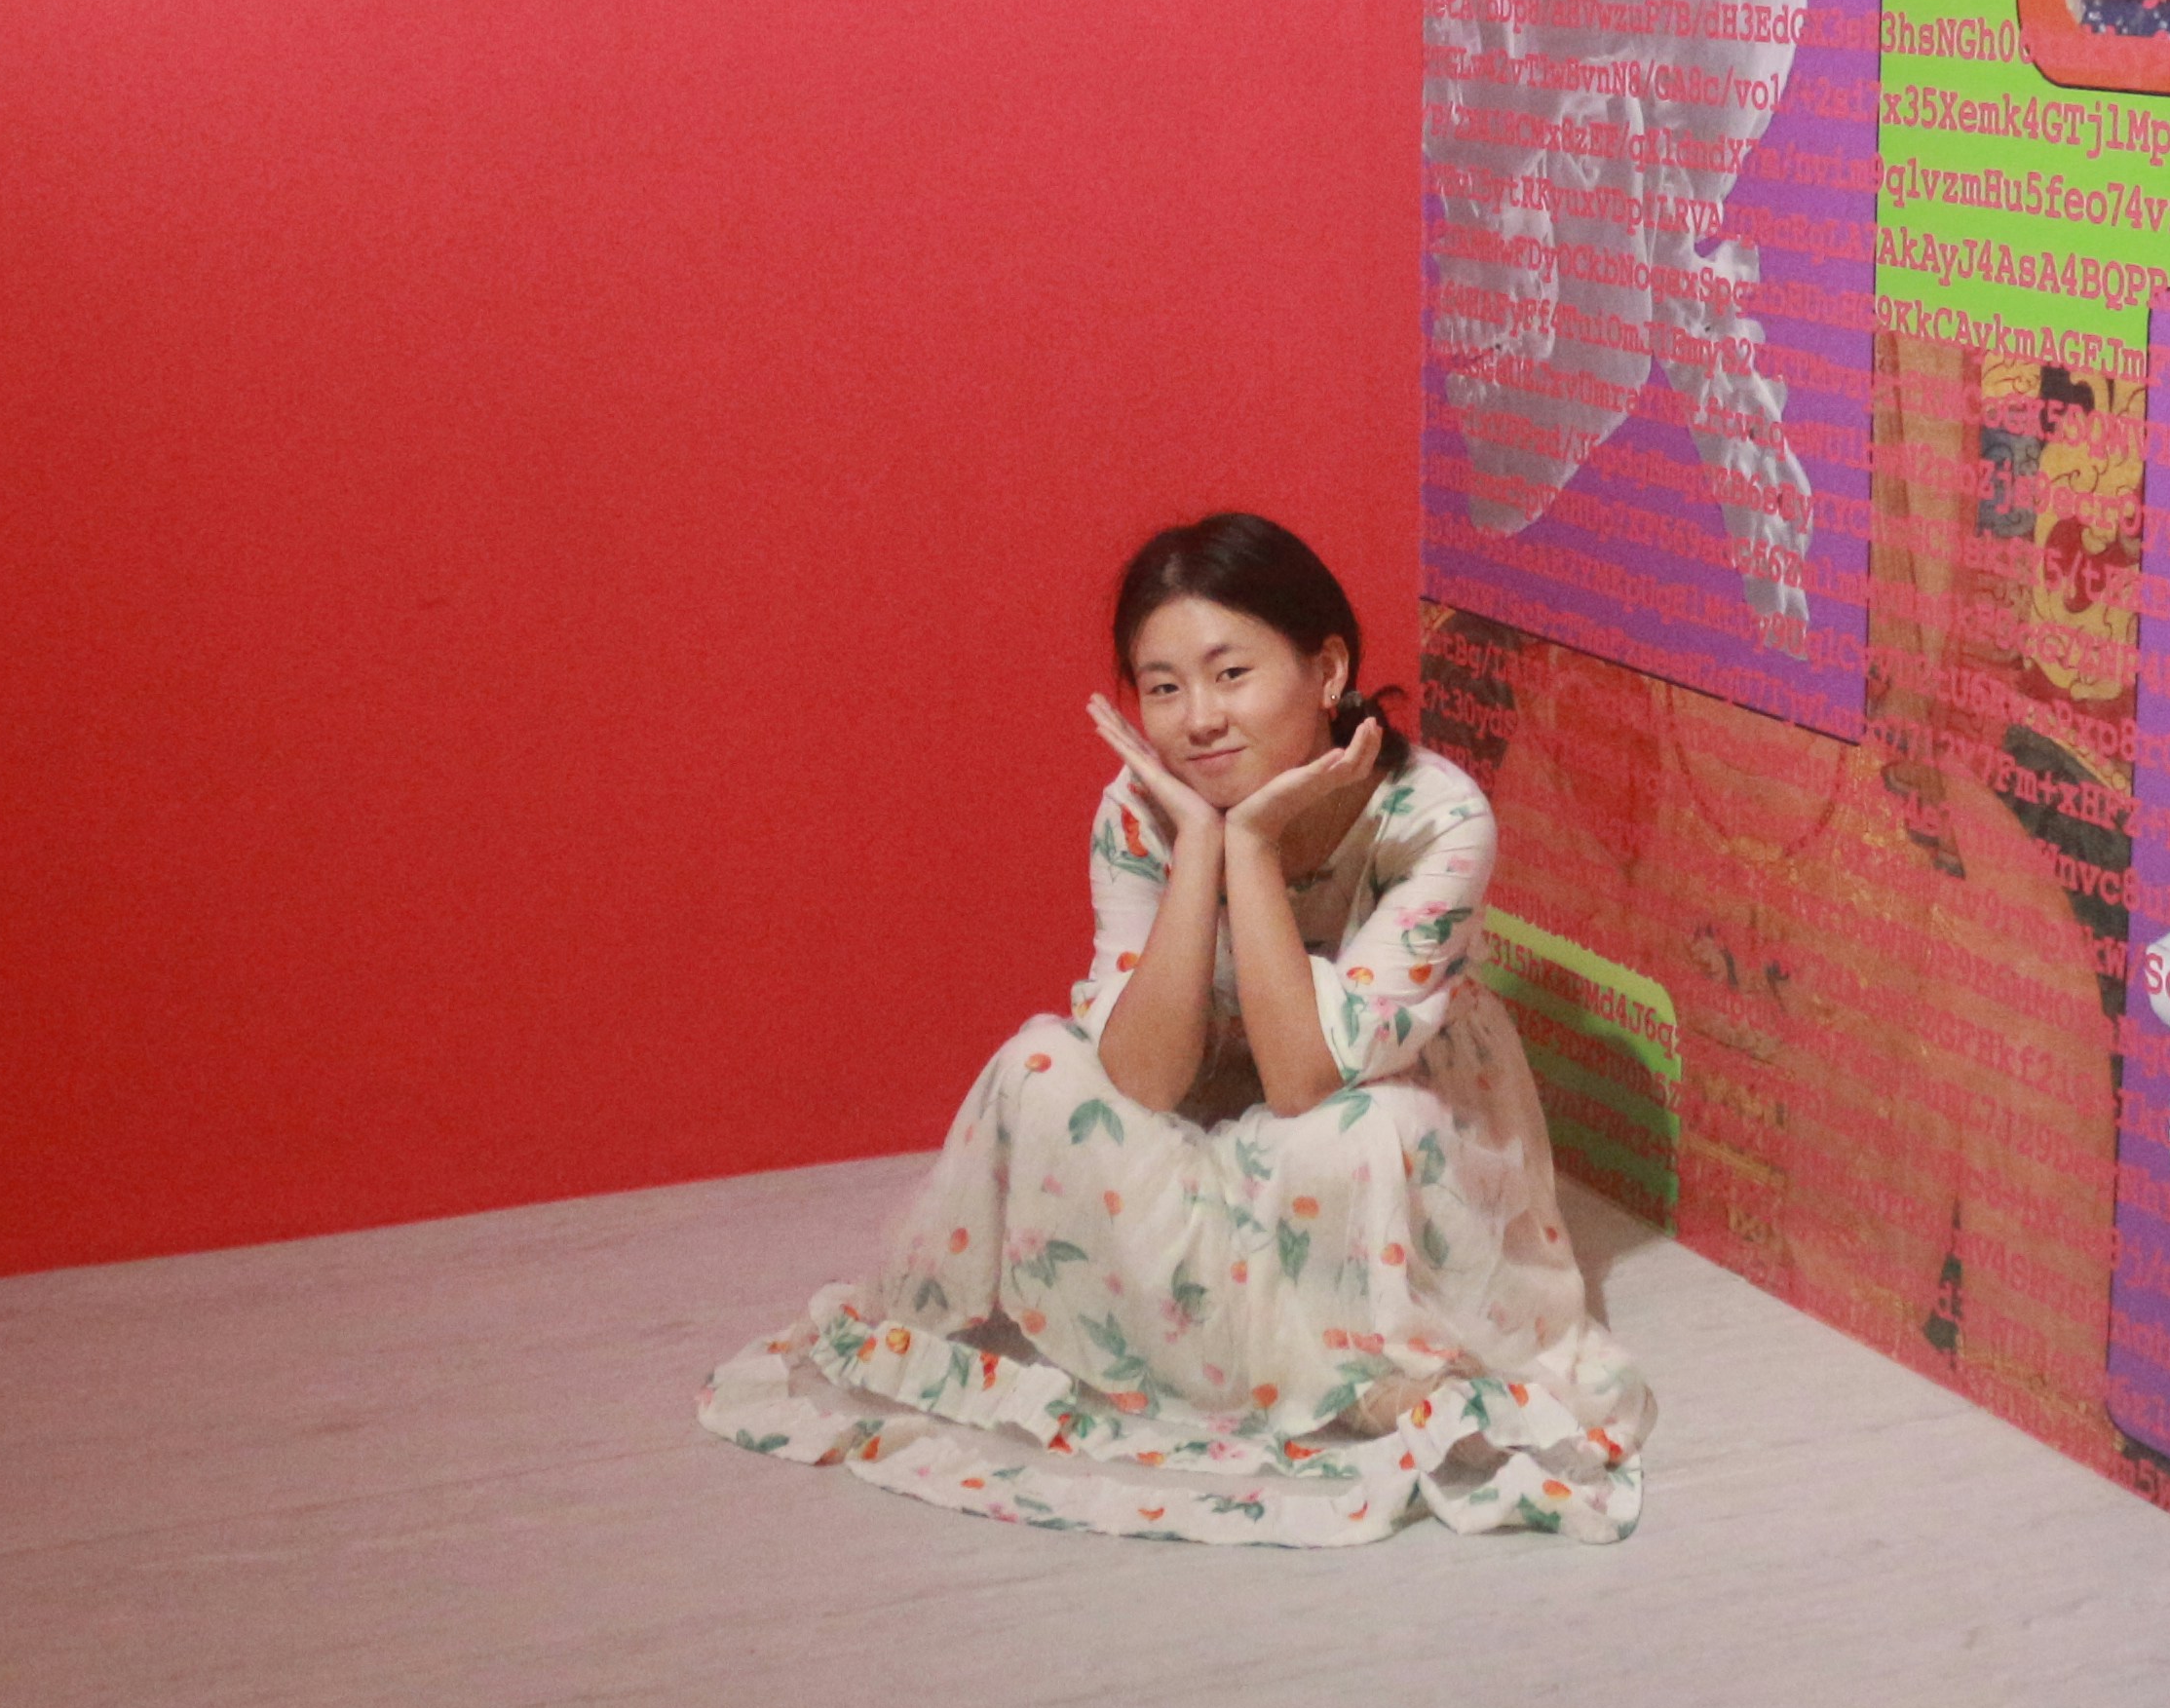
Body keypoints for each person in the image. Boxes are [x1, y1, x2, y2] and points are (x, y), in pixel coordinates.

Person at [700, 513, 1651, 1541]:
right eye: (1163, 687)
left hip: (1366, 1097)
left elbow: (1302, 1080)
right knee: (1038, 1067)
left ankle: (1323, 1364)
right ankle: (1185, 1350)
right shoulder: (1143, 811)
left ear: (1326, 668)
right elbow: (1147, 1079)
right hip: (1206, 1074)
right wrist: (1199, 840)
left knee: (1355, 1135)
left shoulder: (1437, 818)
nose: (1198, 719)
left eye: (1230, 673)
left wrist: (1258, 847)